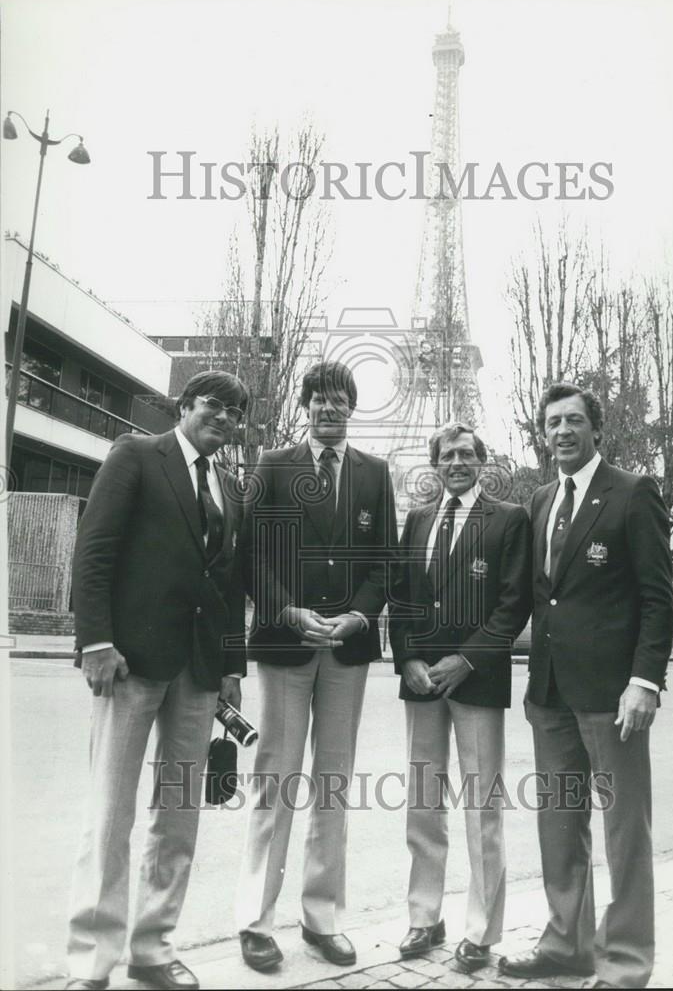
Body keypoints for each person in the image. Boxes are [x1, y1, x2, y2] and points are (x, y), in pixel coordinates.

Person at [65, 370, 249, 991]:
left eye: (235, 412)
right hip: (129, 664)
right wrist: (94, 640)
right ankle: (91, 960)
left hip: (197, 674)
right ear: (186, 405)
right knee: (111, 813)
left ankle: (153, 947)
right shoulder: (137, 456)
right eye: (214, 405)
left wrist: (229, 666)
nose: (224, 417)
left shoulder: (230, 487)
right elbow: (94, 550)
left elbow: (228, 586)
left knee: (178, 816)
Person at [499, 383, 673, 990]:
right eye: (552, 423)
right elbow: (531, 597)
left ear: (595, 429)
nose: (563, 432)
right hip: (548, 692)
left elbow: (657, 597)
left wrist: (645, 681)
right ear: (542, 434)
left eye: (574, 420)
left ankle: (625, 963)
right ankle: (567, 944)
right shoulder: (542, 499)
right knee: (558, 824)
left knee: (624, 831)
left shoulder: (632, 493)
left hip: (613, 696)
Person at [235, 361, 398, 973]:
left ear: (352, 408)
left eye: (340, 401)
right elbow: (251, 552)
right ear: (305, 406)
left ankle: (320, 917)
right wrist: (284, 610)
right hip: (286, 643)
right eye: (319, 400)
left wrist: (360, 615)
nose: (329, 410)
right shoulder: (273, 466)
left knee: (333, 782)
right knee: (274, 779)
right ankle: (255, 921)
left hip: (348, 649)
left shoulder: (376, 474)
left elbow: (384, 559)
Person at [389, 422, 532, 972]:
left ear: (482, 461)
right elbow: (402, 599)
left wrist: (466, 659)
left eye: (466, 454)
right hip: (421, 680)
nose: (456, 462)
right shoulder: (420, 519)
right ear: (436, 464)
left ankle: (480, 930)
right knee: (423, 803)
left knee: (481, 806)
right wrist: (408, 659)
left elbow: (513, 603)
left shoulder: (509, 519)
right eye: (446, 455)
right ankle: (424, 918)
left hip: (476, 677)